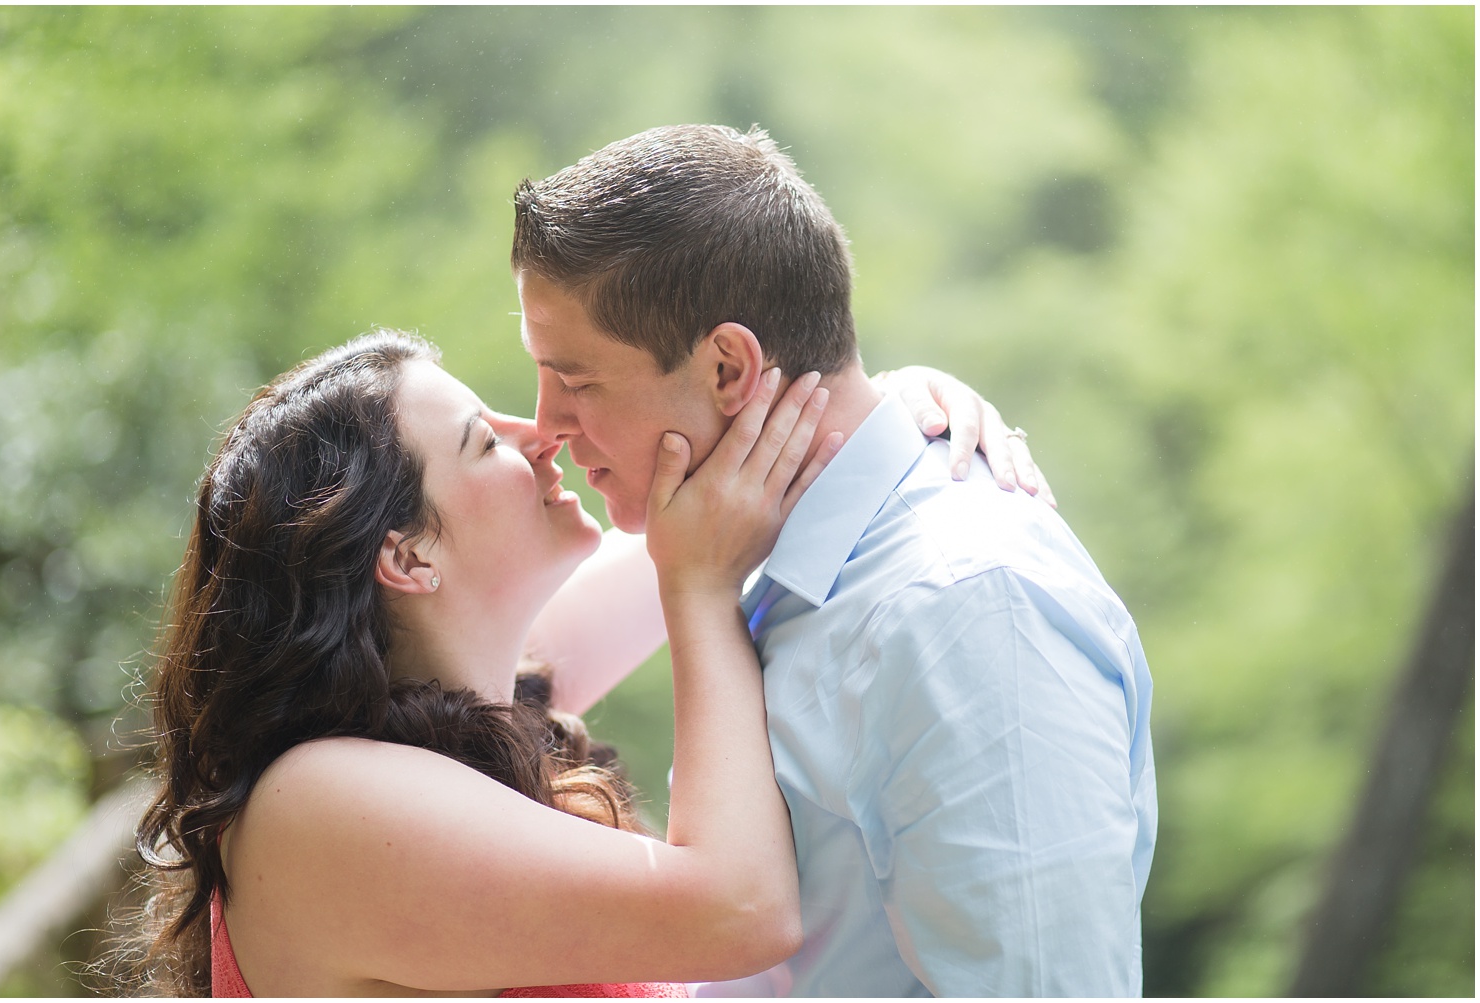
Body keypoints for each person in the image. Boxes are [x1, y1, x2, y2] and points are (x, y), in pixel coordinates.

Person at [124, 328, 1035, 996]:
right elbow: (744, 912)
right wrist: (701, 594)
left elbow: (734, 494)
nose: (542, 433)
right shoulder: (314, 804)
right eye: (485, 440)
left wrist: (894, 400)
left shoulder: (474, 698)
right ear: (407, 557)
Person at [510, 124, 1157, 997]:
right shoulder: (755, 562)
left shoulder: (967, 607)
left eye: (577, 380)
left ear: (730, 368)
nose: (546, 424)